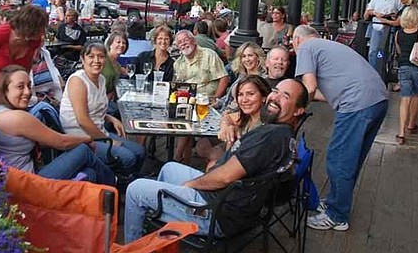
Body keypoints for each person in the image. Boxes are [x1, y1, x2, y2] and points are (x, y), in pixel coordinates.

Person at [124, 78, 309, 242]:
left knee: (135, 190)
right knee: (169, 168)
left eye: (285, 96)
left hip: (216, 212)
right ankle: (164, 237)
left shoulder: (272, 136)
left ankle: (135, 245)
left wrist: (190, 185)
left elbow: (224, 178)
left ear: (298, 110)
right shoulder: (277, 131)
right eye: (275, 91)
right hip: (229, 199)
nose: (275, 97)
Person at [293, 25, 388, 231]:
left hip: (356, 103)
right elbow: (327, 94)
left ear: (297, 39)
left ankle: (337, 215)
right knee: (352, 159)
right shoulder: (329, 46)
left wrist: (294, 109)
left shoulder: (306, 48)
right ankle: (337, 202)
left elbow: (308, 88)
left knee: (339, 159)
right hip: (378, 99)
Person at [0, 65, 114, 185]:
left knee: (90, 174)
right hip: (28, 183)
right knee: (83, 150)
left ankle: (106, 192)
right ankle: (113, 184)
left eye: (29, 86)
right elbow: (62, 142)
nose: (27, 92)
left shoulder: (0, 110)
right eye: (20, 87)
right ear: (5, 90)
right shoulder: (18, 118)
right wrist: (88, 139)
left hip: (18, 179)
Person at [59, 42, 146, 176]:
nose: (96, 60)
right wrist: (107, 140)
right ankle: (118, 183)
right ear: (83, 59)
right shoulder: (78, 81)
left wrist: (110, 118)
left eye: (100, 56)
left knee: (140, 151)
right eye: (91, 56)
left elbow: (96, 107)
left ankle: (131, 181)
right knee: (129, 157)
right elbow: (82, 119)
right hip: (81, 137)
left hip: (98, 131)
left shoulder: (101, 79)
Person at [173, 30, 229, 162]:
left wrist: (215, 98)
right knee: (184, 115)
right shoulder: (178, 64)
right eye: (180, 42)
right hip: (189, 101)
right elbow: (178, 86)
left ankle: (177, 156)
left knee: (186, 118)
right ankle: (183, 159)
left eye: (186, 40)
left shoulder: (208, 55)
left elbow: (224, 78)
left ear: (194, 40)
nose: (183, 44)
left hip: (208, 102)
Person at [394, 7, 418, 145]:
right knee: (416, 95)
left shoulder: (398, 34)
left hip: (404, 67)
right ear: (417, 18)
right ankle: (411, 124)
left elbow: (399, 51)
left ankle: (401, 133)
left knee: (405, 99)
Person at [363, 0, 403, 69]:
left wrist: (393, 15)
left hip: (388, 27)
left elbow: (401, 12)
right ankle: (373, 69)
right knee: (373, 51)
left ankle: (382, 69)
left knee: (383, 51)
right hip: (376, 26)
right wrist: (375, 13)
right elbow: (368, 10)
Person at [218, 42, 267, 111]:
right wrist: (217, 102)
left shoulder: (262, 79)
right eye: (243, 56)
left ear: (258, 58)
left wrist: (229, 113)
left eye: (250, 55)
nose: (247, 59)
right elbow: (230, 97)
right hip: (224, 111)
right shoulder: (242, 75)